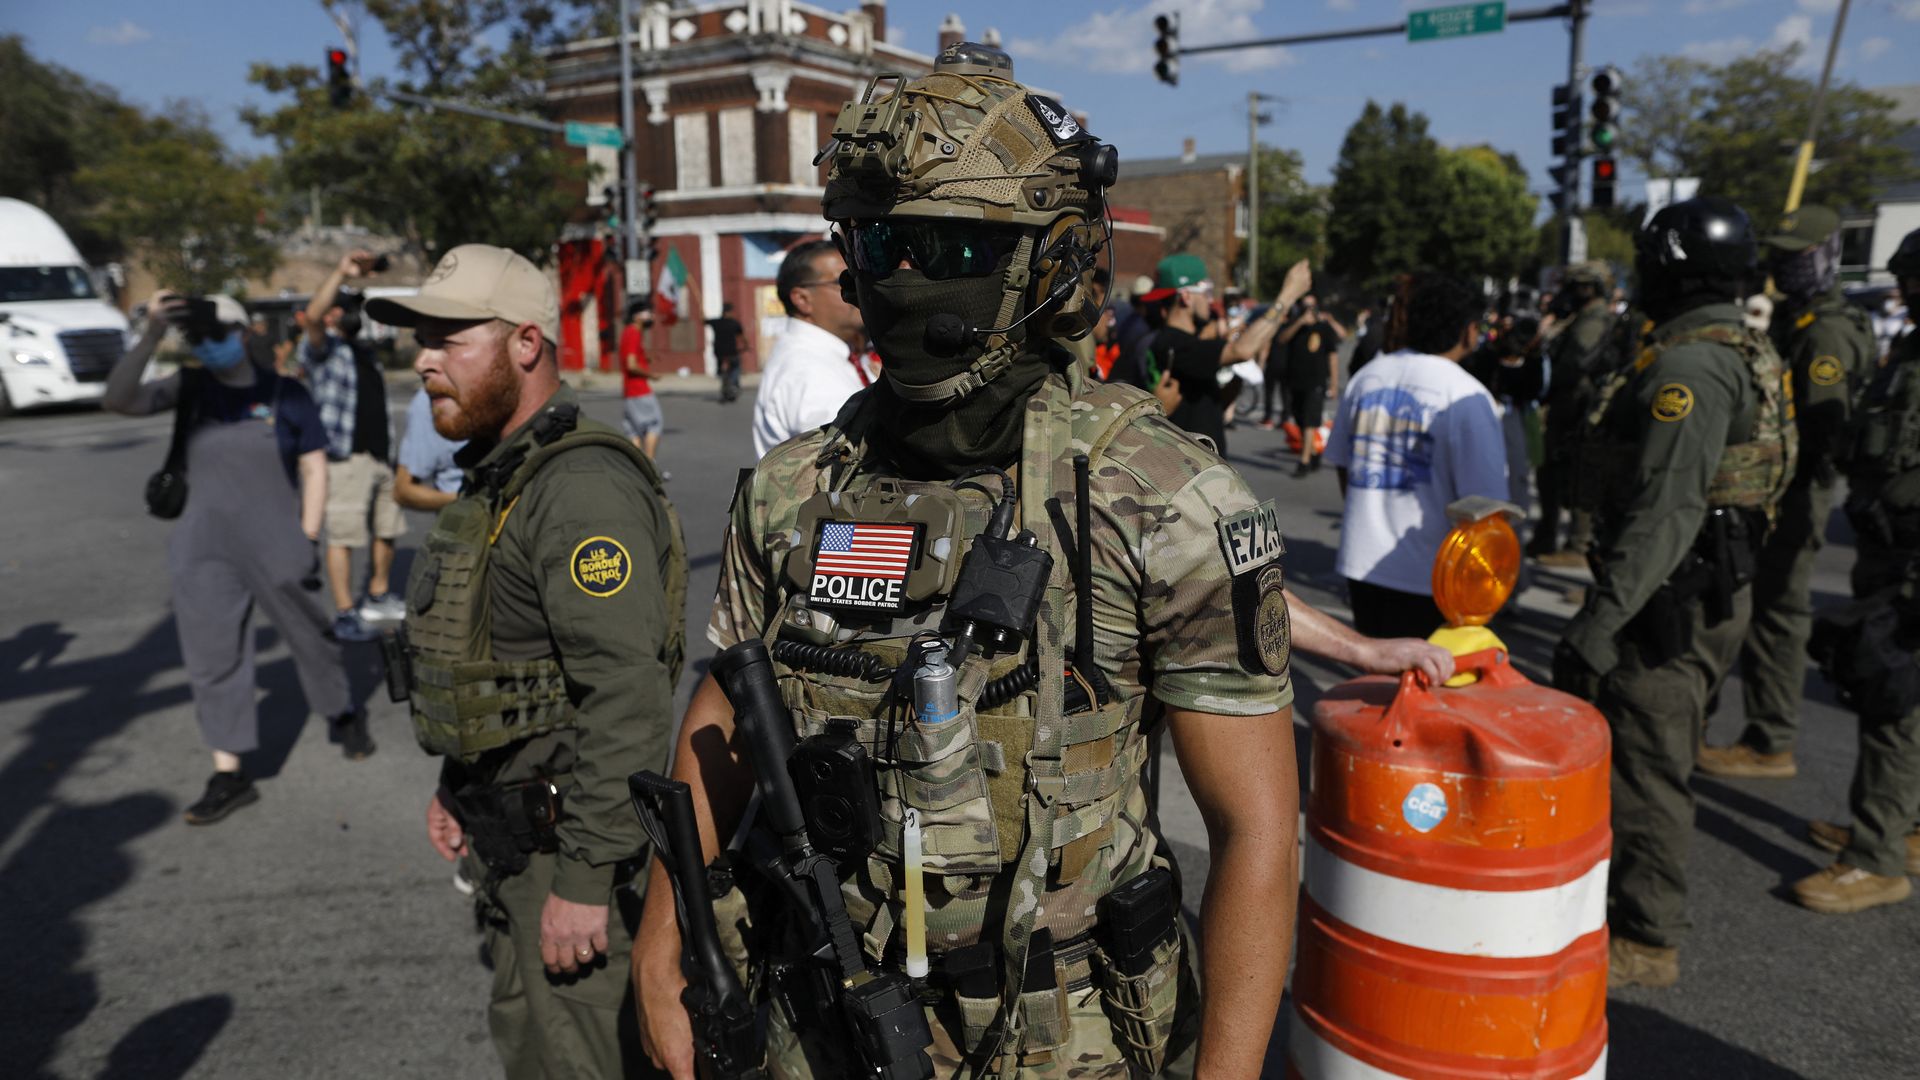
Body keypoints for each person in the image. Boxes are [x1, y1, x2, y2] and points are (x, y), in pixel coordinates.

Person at [635, 43, 1298, 1078]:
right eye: (880, 242)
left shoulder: (1158, 499)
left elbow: (1256, 830)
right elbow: (722, 720)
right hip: (825, 1014)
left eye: (948, 250)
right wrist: (661, 942)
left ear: (1052, 262)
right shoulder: (792, 490)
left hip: (1068, 1039)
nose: (901, 278)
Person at [368, 244, 686, 1079]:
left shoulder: (578, 489)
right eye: (419, 340)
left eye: (449, 338)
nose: (424, 361)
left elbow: (627, 696)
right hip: (510, 844)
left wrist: (582, 880)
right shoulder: (501, 474)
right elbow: (504, 660)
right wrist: (458, 785)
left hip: (571, 857)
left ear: (526, 344)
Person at [1553, 198, 1793, 988]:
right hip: (1708, 583)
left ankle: (1646, 937)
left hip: (1670, 594)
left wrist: (1599, 622)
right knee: (1661, 749)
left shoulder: (1690, 366)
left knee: (1649, 766)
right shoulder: (1734, 345)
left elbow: (1667, 507)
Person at [102, 291, 367, 823]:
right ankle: (230, 772)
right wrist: (153, 331)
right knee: (211, 657)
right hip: (203, 546)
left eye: (220, 333)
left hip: (278, 540)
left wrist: (306, 535)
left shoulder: (286, 393)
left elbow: (315, 467)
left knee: (311, 635)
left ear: (244, 334)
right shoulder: (191, 388)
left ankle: (340, 710)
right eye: (201, 338)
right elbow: (119, 398)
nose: (212, 345)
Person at [1701, 206, 1878, 780]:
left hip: (1797, 492)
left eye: (1795, 255)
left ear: (1825, 256)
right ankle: (1765, 732)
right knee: (1769, 607)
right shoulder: (1799, 318)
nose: (1782, 265)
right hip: (1781, 486)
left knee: (1779, 612)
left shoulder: (1825, 330)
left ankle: (1770, 739)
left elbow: (1824, 426)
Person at [1794, 226, 1920, 914]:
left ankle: (1875, 856)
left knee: (1890, 703)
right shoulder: (1910, 347)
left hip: (1910, 562)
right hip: (1888, 544)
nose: (1905, 291)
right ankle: (1898, 823)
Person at [1322, 274, 1509, 640]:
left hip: (1363, 566)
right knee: (1425, 688)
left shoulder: (1366, 378)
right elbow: (1489, 507)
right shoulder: (1466, 395)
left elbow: (1344, 464)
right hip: (1434, 576)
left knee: (1378, 679)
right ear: (1469, 331)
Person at [300, 250, 403, 641]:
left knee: (387, 529)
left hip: (379, 457)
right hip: (344, 459)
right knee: (342, 536)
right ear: (331, 315)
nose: (350, 314)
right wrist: (340, 271)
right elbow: (311, 317)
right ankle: (345, 611)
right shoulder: (322, 351)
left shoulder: (365, 352)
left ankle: (377, 594)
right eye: (343, 308)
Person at [1140, 251, 1310, 456]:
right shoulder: (1174, 343)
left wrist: (1237, 378)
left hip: (1201, 463)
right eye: (1205, 291)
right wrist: (1288, 295)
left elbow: (1208, 404)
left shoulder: (1183, 342)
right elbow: (1242, 350)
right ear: (1186, 296)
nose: (1209, 300)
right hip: (1190, 468)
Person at [1529, 261, 1617, 566]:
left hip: (1579, 405)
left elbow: (1578, 360)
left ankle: (1577, 545)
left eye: (1579, 286)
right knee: (1550, 473)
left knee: (1577, 474)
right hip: (1566, 403)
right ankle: (1546, 536)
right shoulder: (1579, 316)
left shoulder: (1595, 318)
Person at [749, 238, 868, 459]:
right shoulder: (812, 372)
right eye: (844, 281)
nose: (858, 290)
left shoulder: (816, 355)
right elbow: (847, 467)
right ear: (802, 299)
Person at [1275, 294, 1347, 476]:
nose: (1309, 310)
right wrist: (1299, 322)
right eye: (1305, 306)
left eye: (1312, 307)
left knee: (1309, 420)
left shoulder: (1323, 328)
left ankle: (1304, 460)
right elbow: (1281, 340)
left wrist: (1334, 382)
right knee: (1299, 418)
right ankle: (1313, 452)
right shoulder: (1294, 325)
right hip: (1295, 380)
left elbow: (1333, 355)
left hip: (1316, 381)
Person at [393, 386, 466, 513]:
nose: (420, 366)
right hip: (466, 520)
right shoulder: (430, 401)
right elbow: (403, 490)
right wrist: (467, 499)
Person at [620, 301, 666, 460]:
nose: (651, 317)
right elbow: (631, 364)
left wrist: (646, 358)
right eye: (648, 313)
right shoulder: (634, 333)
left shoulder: (628, 332)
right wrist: (650, 376)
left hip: (629, 391)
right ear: (637, 316)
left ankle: (637, 469)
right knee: (654, 424)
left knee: (633, 430)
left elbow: (631, 356)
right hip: (640, 390)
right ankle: (650, 467)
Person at [706, 300, 748, 403]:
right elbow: (742, 337)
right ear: (729, 312)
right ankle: (733, 385)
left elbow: (703, 320)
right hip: (731, 351)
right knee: (736, 368)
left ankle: (723, 381)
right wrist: (746, 345)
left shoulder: (716, 322)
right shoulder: (734, 323)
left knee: (721, 370)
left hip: (719, 352)